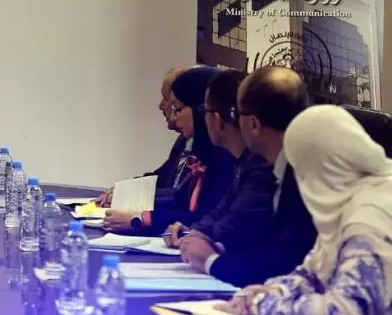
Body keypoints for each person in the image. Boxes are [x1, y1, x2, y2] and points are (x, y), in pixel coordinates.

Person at [220, 105, 392, 315]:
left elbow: (348, 314)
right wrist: (270, 291)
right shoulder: (346, 205)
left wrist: (263, 305)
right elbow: (313, 274)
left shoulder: (370, 215)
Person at [181, 66, 315, 287]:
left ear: (253, 124)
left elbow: (281, 266)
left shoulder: (299, 181)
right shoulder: (289, 167)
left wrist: (210, 261)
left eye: (237, 113)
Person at [104, 66, 235, 234]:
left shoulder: (230, 158)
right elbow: (177, 196)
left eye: (177, 108)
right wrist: (125, 197)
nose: (172, 116)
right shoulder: (200, 149)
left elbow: (206, 217)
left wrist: (142, 219)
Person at [165, 69, 276, 251]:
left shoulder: (259, 165)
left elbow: (235, 224)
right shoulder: (241, 161)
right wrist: (194, 231)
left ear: (217, 119)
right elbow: (220, 212)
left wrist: (205, 249)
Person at [97, 65, 193, 207]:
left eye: (167, 99)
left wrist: (130, 199)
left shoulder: (211, 149)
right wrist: (124, 190)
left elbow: (182, 197)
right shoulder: (185, 140)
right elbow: (161, 179)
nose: (161, 105)